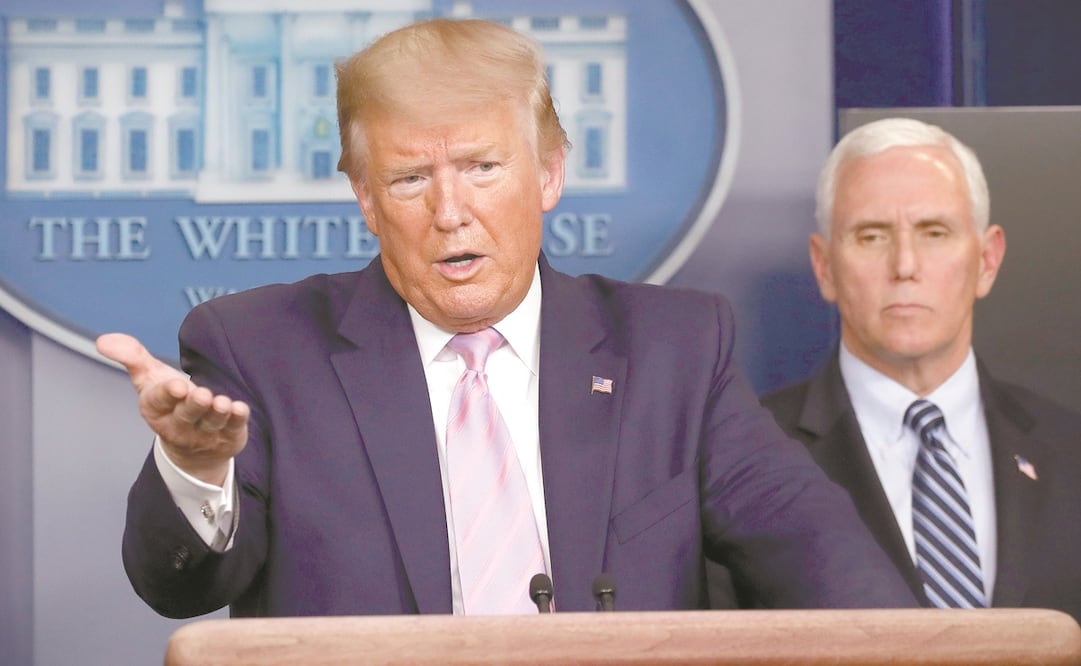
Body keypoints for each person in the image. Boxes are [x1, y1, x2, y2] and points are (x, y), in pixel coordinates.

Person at [98, 18, 916, 619]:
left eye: (483, 168)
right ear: (366, 201)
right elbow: (180, 588)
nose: (451, 212)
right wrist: (198, 470)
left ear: (550, 174)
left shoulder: (674, 351)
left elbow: (822, 558)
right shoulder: (262, 349)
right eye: (411, 178)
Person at [761, 117, 1081, 622]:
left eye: (935, 232)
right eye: (871, 236)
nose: (905, 264)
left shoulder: (1071, 450)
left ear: (987, 260)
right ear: (824, 266)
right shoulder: (748, 455)